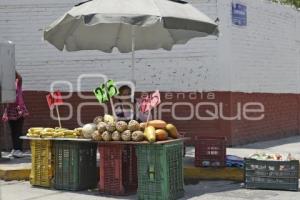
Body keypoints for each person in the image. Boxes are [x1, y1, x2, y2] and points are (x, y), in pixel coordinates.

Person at [2, 71, 29, 158]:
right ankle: (15, 149)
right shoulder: (6, 87)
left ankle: (19, 149)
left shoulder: (18, 83)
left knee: (18, 130)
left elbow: (20, 78)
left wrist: (11, 68)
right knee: (13, 131)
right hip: (10, 110)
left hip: (18, 109)